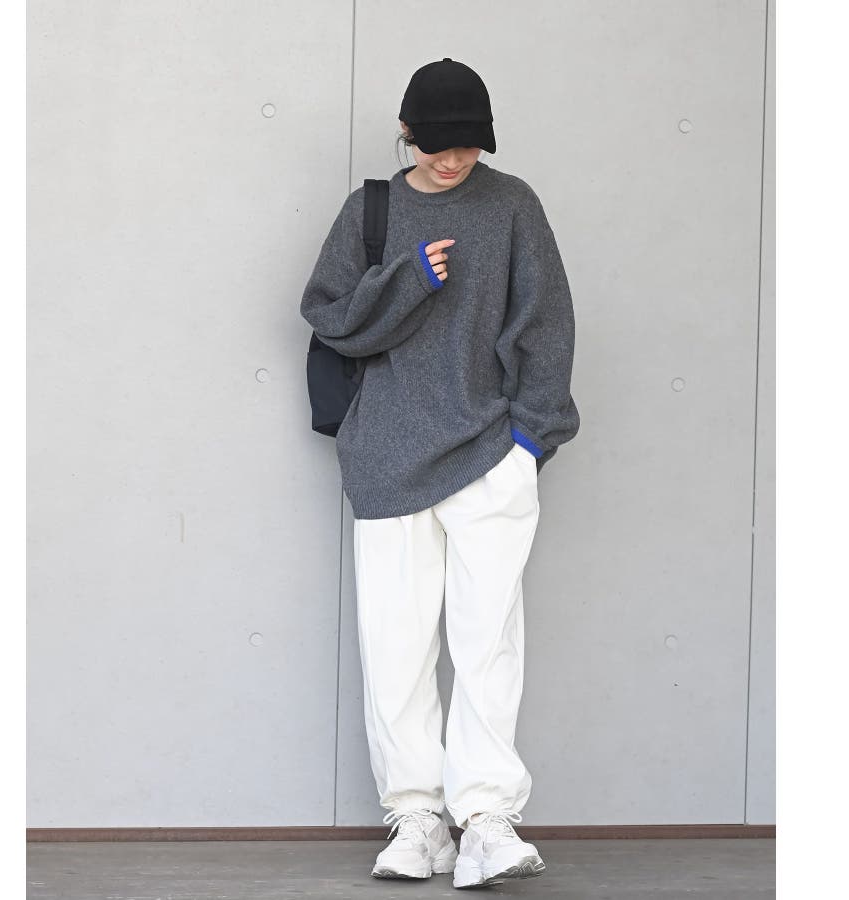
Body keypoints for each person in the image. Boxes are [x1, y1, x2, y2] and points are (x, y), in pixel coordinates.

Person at [300, 57, 580, 889]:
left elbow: (549, 323)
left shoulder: (512, 205)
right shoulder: (372, 213)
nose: (454, 160)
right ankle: (417, 818)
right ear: (407, 132)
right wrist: (412, 278)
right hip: (388, 456)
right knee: (396, 646)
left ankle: (487, 819)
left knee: (488, 641)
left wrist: (529, 440)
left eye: (469, 145)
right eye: (437, 144)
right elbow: (330, 317)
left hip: (490, 454)